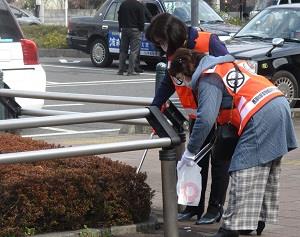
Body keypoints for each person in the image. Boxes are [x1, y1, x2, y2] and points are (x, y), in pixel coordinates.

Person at [169, 48, 298, 237]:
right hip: (277, 102)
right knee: (265, 168)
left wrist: (190, 151)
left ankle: (230, 228)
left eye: (180, 78)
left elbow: (205, 119)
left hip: (261, 112)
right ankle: (253, 221)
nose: (183, 83)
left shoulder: (209, 76)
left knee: (242, 169)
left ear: (186, 71)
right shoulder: (224, 65)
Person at [145, 12, 230, 225]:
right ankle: (193, 207)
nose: (162, 47)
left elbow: (228, 70)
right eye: (159, 44)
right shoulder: (172, 51)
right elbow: (170, 79)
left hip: (219, 115)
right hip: (196, 116)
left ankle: (215, 208)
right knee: (194, 163)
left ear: (172, 36)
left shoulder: (207, 42)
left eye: (162, 42)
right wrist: (155, 105)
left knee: (220, 161)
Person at [117, 0, 145, 76]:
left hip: (124, 29)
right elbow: (142, 19)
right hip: (135, 30)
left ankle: (121, 70)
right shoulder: (139, 5)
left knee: (123, 50)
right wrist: (141, 29)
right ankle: (131, 70)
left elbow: (119, 16)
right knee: (134, 51)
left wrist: (120, 27)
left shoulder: (123, 4)